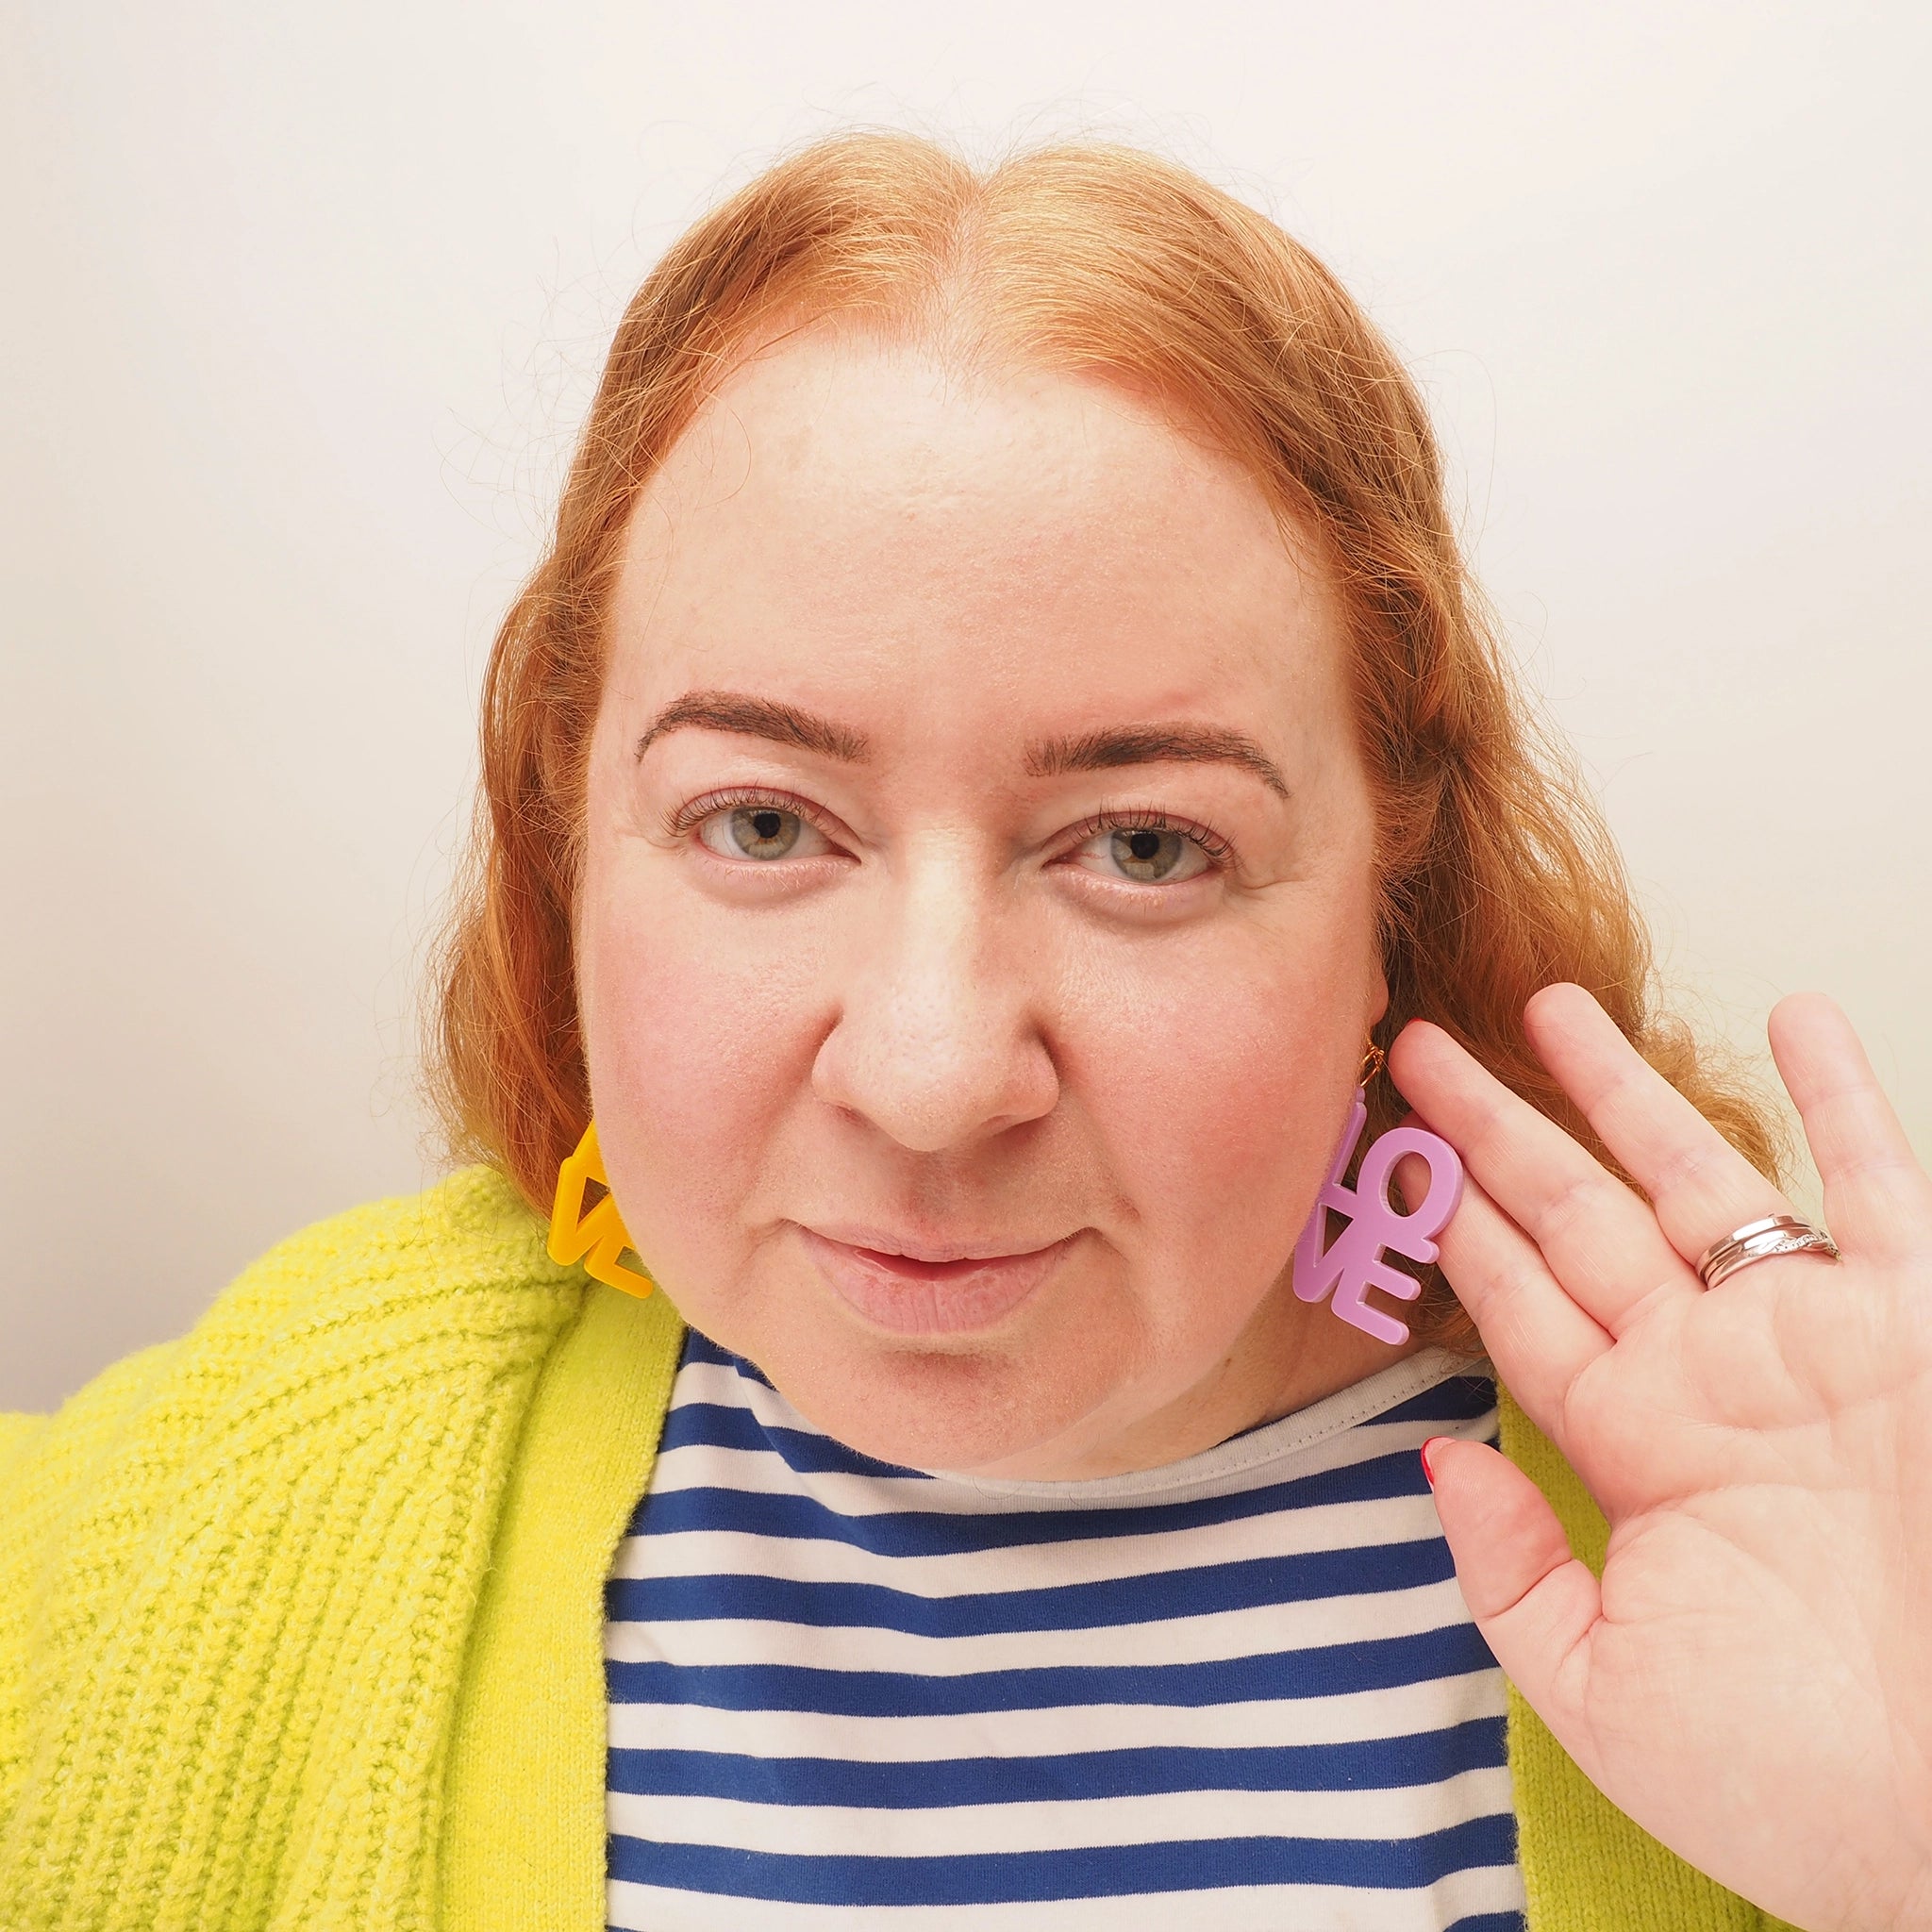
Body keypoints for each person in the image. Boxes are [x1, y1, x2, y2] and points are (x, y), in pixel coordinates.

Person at [2, 131, 1926, 1932]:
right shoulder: (220, 1523)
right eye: (762, 823)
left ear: (1385, 913)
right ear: (564, 838)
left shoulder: (1774, 1556)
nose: (927, 1076)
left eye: (1149, 845)